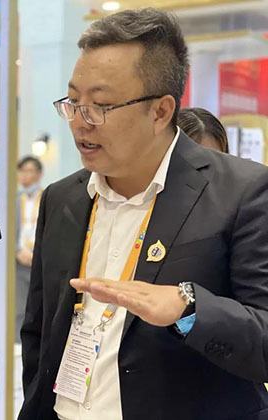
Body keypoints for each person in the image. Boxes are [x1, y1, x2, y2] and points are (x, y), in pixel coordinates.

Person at [19, 8, 268, 420]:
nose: (79, 122)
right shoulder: (62, 198)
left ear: (160, 112)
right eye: (73, 101)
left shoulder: (242, 192)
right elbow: (39, 334)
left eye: (100, 105)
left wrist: (190, 308)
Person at [15, 155, 43, 343]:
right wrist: (17, 251)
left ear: (39, 174)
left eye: (29, 171)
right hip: (18, 259)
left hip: (40, 260)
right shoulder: (14, 199)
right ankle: (17, 345)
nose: (25, 176)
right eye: (22, 171)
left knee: (39, 306)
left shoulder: (49, 197)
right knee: (18, 306)